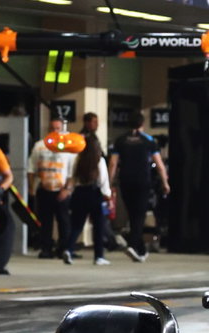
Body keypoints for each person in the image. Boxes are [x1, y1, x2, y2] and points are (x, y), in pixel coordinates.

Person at [109, 112, 168, 262]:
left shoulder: (120, 140)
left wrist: (109, 182)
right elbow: (159, 165)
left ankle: (140, 249)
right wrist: (165, 182)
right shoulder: (148, 141)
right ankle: (133, 245)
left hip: (125, 180)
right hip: (142, 181)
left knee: (132, 213)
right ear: (142, 123)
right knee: (140, 214)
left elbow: (113, 163)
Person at [28, 116, 78, 262]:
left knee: (64, 221)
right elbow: (31, 168)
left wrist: (67, 189)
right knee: (45, 222)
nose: (54, 131)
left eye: (57, 128)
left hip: (61, 189)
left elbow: (72, 171)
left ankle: (64, 248)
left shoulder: (68, 149)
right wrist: (32, 187)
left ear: (62, 130)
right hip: (44, 189)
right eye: (52, 128)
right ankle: (46, 248)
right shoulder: (40, 146)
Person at [68, 129, 113, 264]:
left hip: (79, 193)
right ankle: (99, 256)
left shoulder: (78, 159)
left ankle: (67, 249)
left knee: (77, 225)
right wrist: (108, 197)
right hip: (94, 193)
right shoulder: (99, 161)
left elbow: (73, 178)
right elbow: (103, 182)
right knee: (98, 226)